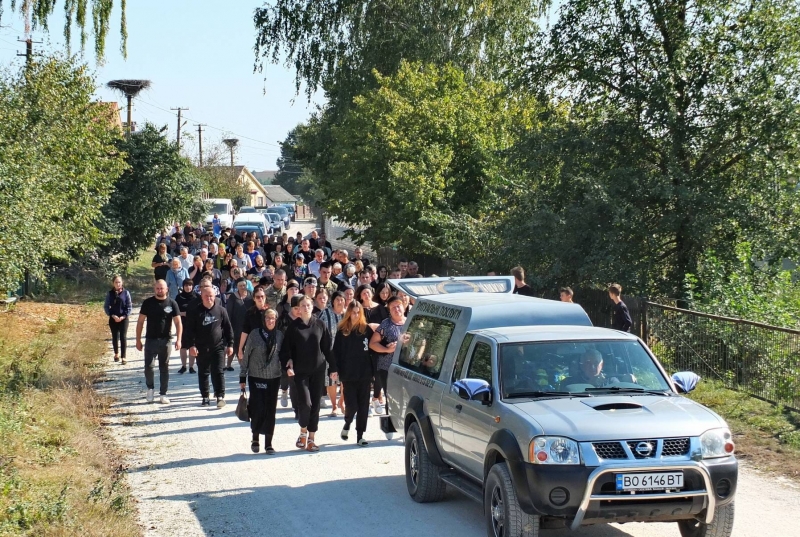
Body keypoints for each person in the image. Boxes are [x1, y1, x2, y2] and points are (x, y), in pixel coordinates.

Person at [279, 295, 337, 452]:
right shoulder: (294, 327)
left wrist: (333, 368)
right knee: (306, 403)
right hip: (301, 371)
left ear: (313, 307)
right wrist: (288, 364)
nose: (305, 308)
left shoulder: (320, 324)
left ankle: (311, 439)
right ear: (298, 309)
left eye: (308, 305)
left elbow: (327, 348)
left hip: (318, 370)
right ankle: (303, 431)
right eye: (302, 306)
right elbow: (285, 350)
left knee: (316, 405)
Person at [240, 308, 284, 455]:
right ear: (263, 320)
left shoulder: (279, 336)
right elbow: (246, 356)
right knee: (257, 408)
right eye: (268, 318)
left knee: (270, 411)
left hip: (274, 378)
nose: (270, 321)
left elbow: (283, 356)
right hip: (256, 376)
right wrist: (242, 376)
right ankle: (255, 438)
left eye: (273, 318)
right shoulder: (254, 335)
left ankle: (269, 443)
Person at [184, 284, 235, 408]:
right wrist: (191, 346)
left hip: (218, 346)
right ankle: (205, 396)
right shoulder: (195, 311)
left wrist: (230, 344)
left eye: (211, 296)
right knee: (203, 372)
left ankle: (220, 396)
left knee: (218, 371)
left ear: (215, 296)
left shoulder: (221, 310)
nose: (209, 298)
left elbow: (228, 328)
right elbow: (189, 330)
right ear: (201, 296)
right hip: (201, 347)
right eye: (206, 296)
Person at [334, 301, 375, 446]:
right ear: (349, 313)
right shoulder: (342, 331)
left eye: (358, 312)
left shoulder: (366, 330)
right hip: (348, 374)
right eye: (353, 312)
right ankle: (347, 422)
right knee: (352, 406)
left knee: (363, 406)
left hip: (365, 373)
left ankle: (360, 435)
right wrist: (335, 370)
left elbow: (373, 350)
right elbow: (336, 353)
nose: (356, 315)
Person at [135, 280, 182, 404]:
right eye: (157, 288)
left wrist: (179, 339)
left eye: (162, 288)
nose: (160, 290)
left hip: (166, 340)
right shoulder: (148, 303)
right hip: (150, 340)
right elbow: (140, 321)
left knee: (164, 368)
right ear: (154, 289)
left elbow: (178, 322)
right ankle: (150, 389)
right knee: (149, 367)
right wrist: (138, 339)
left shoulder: (172, 303)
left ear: (167, 289)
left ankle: (163, 394)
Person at [369, 295, 404, 418]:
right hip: (387, 366)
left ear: (403, 306)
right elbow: (372, 344)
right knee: (391, 396)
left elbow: (422, 342)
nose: (396, 309)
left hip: (406, 367)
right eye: (393, 307)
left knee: (404, 398)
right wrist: (387, 349)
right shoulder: (386, 324)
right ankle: (391, 425)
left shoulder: (411, 322)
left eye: (398, 306)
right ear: (389, 310)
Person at [225, 278, 253, 371]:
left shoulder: (250, 295)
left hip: (249, 324)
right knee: (236, 345)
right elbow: (228, 312)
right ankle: (239, 365)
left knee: (247, 345)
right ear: (237, 286)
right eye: (240, 286)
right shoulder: (233, 297)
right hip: (236, 324)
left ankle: (244, 364)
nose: (242, 287)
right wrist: (228, 325)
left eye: (244, 285)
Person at [104, 275, 132, 365]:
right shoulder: (110, 293)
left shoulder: (126, 293)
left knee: (123, 337)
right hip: (113, 318)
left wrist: (123, 316)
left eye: (119, 282)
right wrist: (112, 315)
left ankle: (124, 357)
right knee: (115, 337)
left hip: (124, 318)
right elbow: (106, 306)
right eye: (116, 282)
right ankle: (116, 354)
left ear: (122, 283)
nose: (118, 284)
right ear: (113, 283)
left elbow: (129, 306)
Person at [174, 278, 197, 374]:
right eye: (186, 285)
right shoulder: (179, 297)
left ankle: (191, 366)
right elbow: (174, 311)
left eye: (190, 285)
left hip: (194, 324)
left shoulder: (197, 297)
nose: (188, 287)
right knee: (183, 345)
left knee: (193, 345)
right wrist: (182, 313)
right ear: (183, 287)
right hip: (182, 324)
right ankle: (183, 366)